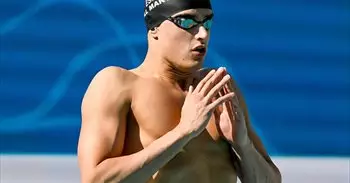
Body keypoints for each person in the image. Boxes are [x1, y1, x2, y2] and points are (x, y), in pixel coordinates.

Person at [77, 0, 282, 182]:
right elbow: (95, 180)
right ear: (155, 27)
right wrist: (183, 133)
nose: (202, 34)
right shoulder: (118, 84)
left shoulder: (217, 87)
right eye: (187, 21)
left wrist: (242, 145)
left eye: (207, 22)